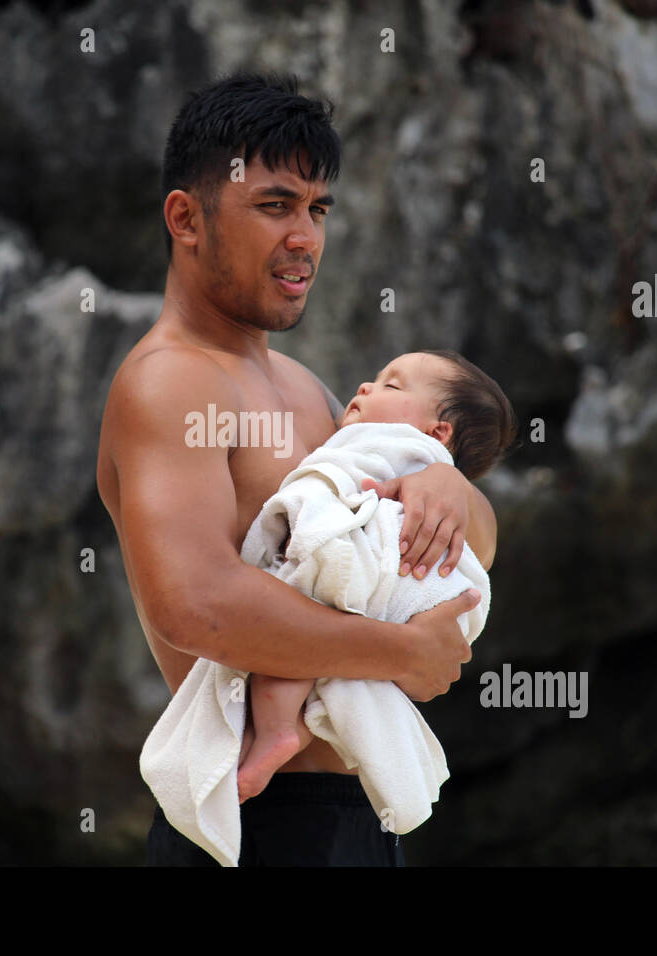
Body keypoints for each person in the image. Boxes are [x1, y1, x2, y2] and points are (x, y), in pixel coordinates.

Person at [95, 72, 498, 866]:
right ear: (187, 217)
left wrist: (450, 486)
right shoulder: (170, 381)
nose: (305, 237)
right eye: (274, 205)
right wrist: (401, 654)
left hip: (353, 817)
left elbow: (453, 539)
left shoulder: (307, 389)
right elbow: (196, 604)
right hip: (257, 823)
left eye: (317, 209)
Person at [236, 349, 517, 803]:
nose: (366, 386)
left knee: (293, 618)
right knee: (300, 627)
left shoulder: (394, 447)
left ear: (438, 432)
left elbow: (474, 538)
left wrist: (450, 482)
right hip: (404, 590)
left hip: (386, 571)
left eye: (391, 385)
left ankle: (276, 732)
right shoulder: (369, 439)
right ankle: (286, 730)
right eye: (374, 377)